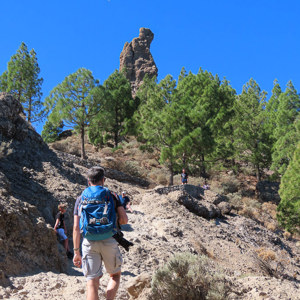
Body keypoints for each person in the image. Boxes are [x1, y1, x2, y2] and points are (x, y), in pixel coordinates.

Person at [73, 166, 128, 300]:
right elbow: (124, 220)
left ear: (88, 181)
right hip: (109, 240)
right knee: (114, 275)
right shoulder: (112, 195)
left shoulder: (81, 198)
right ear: (103, 180)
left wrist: (76, 252)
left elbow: (75, 227)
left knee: (92, 281)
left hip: (89, 242)